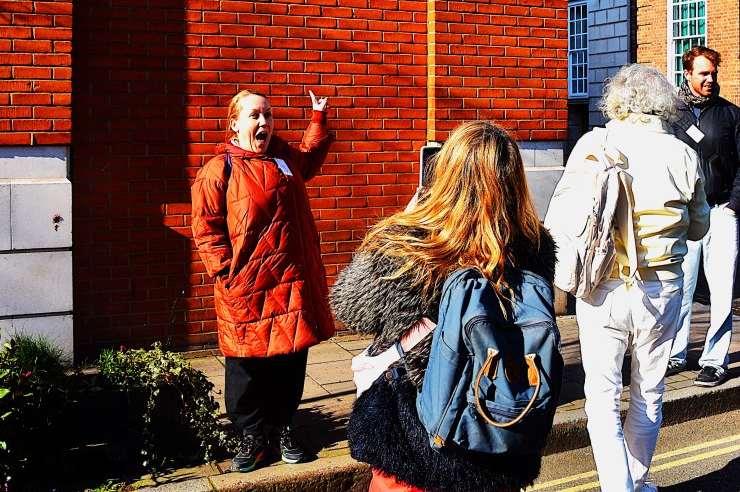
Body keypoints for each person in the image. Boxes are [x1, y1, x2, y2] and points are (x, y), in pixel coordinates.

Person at [331, 120, 558, 492]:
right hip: (496, 422)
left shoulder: (407, 241)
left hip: (413, 436)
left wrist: (403, 220)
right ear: (514, 179)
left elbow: (350, 309)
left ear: (444, 172)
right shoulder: (535, 245)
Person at [569, 64, 710, 492]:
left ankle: (620, 486)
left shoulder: (595, 143)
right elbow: (699, 228)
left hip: (602, 286)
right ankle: (638, 481)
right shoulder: (683, 154)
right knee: (649, 392)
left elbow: (569, 215)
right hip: (661, 287)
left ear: (616, 100)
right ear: (663, 103)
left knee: (603, 398)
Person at [191, 89, 335, 472]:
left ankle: (282, 428)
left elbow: (309, 161)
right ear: (234, 123)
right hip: (247, 288)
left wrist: (317, 119)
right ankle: (252, 436)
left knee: (291, 359)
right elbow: (205, 229)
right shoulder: (219, 170)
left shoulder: (283, 158)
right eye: (254, 115)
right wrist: (226, 273)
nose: (264, 122)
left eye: (268, 115)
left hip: (292, 284)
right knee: (246, 366)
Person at [667, 46, 740, 387]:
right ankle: (675, 353)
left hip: (721, 211)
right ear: (687, 73)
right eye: (703, 73)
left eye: (713, 74)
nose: (709, 79)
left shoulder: (730, 114)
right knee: (679, 288)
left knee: (721, 293)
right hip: (683, 215)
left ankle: (715, 361)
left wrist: (734, 205)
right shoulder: (670, 115)